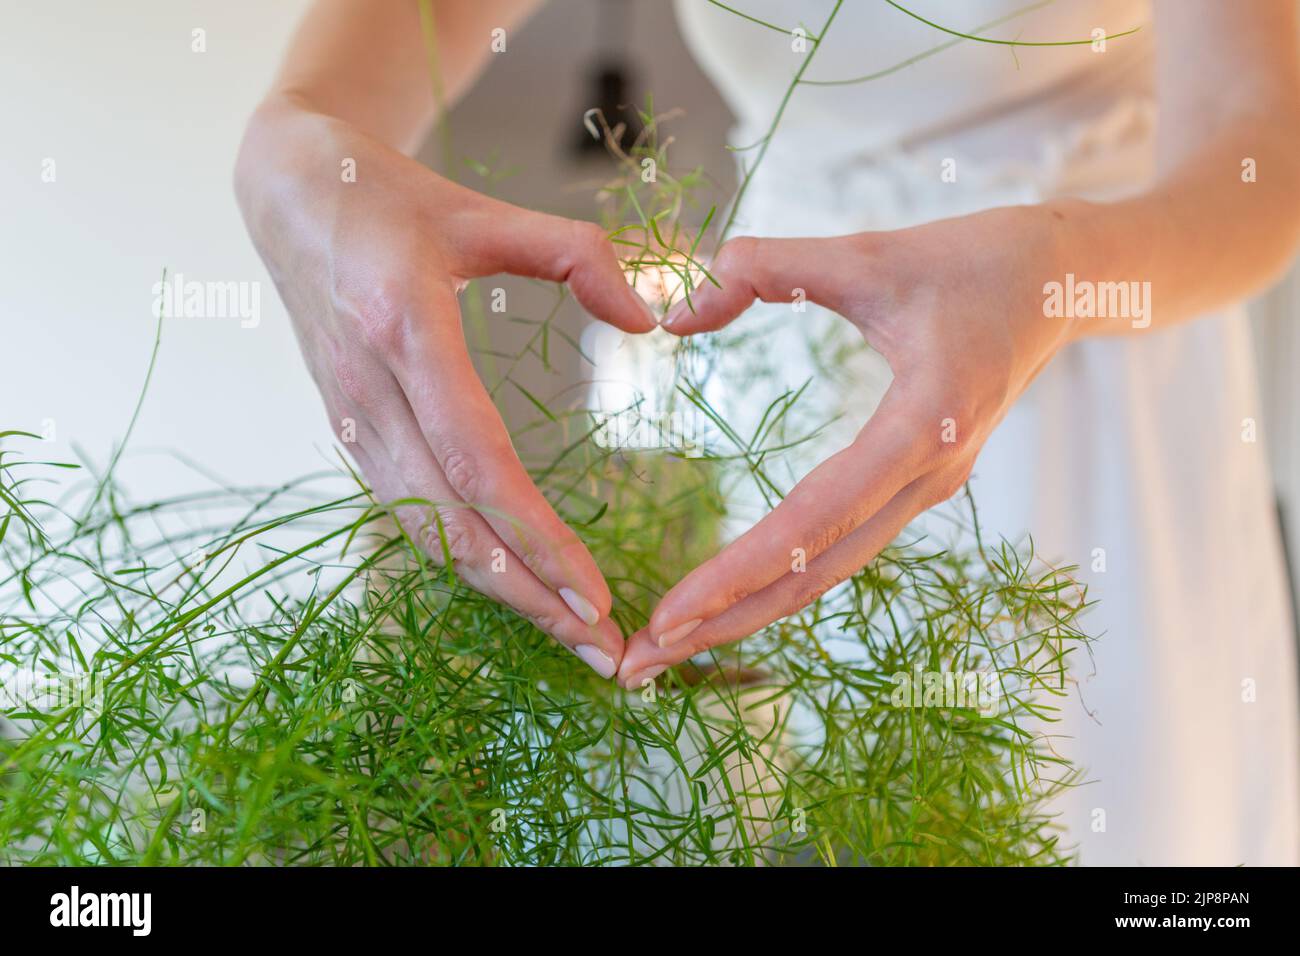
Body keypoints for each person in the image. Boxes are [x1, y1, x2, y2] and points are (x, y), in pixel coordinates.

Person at [235, 0, 1300, 864]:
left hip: (1089, 334)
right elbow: (382, 50)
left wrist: (1066, 278)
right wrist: (294, 141)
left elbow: (1265, 147)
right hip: (802, 339)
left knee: (1108, 795)